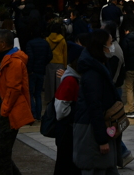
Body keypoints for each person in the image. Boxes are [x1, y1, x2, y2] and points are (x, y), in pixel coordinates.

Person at [72, 30, 121, 175]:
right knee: (97, 168)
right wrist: (101, 139)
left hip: (97, 126)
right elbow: (94, 106)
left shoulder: (99, 66)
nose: (111, 47)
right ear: (101, 46)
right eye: (110, 43)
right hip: (91, 129)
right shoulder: (93, 73)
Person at [0, 28, 32, 175]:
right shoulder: (6, 59)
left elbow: (13, 89)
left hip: (9, 112)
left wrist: (4, 110)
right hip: (5, 110)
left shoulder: (14, 62)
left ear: (2, 44)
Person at [54, 44, 85, 175]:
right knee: (65, 164)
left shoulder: (76, 79)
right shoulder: (70, 81)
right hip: (67, 131)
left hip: (71, 129)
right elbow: (61, 111)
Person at [25, 25, 52, 120]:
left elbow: (30, 57)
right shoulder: (45, 43)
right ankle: (39, 114)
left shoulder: (30, 43)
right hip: (41, 70)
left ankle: (32, 113)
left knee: (30, 93)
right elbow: (49, 56)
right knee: (38, 93)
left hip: (32, 71)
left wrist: (29, 69)